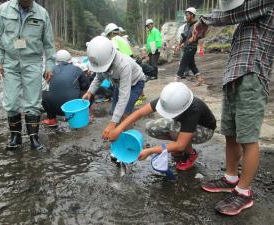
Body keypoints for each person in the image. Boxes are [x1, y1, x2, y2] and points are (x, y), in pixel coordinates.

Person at [191, 0, 274, 216]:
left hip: (252, 76)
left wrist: (203, 20)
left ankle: (244, 192)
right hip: (233, 76)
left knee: (248, 137)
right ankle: (230, 178)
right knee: (231, 134)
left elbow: (233, 13)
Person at [109, 82, 216, 171]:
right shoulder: (168, 100)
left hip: (204, 131)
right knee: (151, 127)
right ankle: (179, 142)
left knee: (175, 131)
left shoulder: (193, 109)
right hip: (182, 126)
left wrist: (150, 151)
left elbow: (180, 145)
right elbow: (140, 113)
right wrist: (119, 128)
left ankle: (190, 154)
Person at [0, 0, 55, 150]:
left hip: (32, 62)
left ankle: (34, 138)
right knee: (11, 101)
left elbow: (49, 43)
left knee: (33, 103)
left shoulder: (42, 14)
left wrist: (50, 66)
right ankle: (16, 137)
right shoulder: (3, 10)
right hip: (10, 62)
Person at [82, 36, 145, 139]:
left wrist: (112, 124)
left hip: (135, 83)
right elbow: (98, 77)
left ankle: (129, 138)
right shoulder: (103, 61)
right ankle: (119, 131)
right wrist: (90, 92)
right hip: (117, 82)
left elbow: (124, 97)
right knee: (114, 111)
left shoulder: (123, 65)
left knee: (124, 113)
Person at [41, 50, 90, 127]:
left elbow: (45, 77)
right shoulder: (77, 69)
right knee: (89, 92)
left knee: (44, 94)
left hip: (56, 109)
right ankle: (87, 115)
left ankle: (51, 119)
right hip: (73, 109)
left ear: (56, 61)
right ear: (70, 60)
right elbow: (86, 86)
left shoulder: (50, 70)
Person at [175, 7, 204, 86]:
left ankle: (176, 82)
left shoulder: (197, 25)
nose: (186, 17)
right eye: (186, 15)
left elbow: (200, 35)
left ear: (192, 15)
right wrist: (179, 44)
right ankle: (199, 79)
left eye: (187, 15)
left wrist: (194, 37)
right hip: (187, 46)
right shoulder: (186, 26)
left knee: (183, 63)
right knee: (191, 64)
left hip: (192, 47)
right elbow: (184, 36)